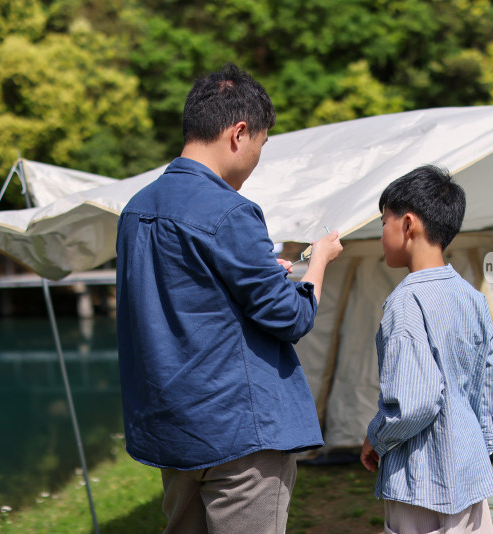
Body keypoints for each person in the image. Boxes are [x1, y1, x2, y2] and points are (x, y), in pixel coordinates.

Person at [115, 63, 343, 534]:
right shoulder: (230, 211)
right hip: (239, 432)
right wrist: (317, 262)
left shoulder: (136, 209)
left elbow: (183, 298)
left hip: (174, 430)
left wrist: (262, 275)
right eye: (260, 145)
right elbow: (292, 316)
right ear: (239, 133)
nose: (256, 157)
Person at [360, 165, 493, 534]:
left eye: (383, 223)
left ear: (408, 225)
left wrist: (377, 437)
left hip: (421, 482)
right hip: (470, 475)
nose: (381, 235)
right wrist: (478, 449)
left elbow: (415, 402)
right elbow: (487, 392)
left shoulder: (406, 301)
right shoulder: (472, 297)